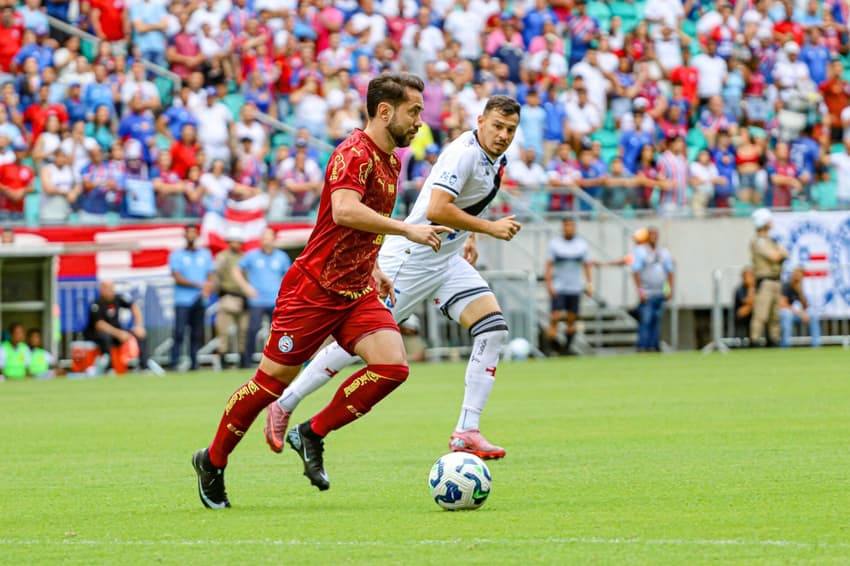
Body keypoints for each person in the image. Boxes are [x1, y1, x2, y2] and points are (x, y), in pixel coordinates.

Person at [192, 73, 451, 508]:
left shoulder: (390, 161)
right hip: (312, 291)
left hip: (354, 290)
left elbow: (353, 230)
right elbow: (344, 211)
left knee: (392, 367)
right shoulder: (354, 153)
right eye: (413, 112)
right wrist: (407, 229)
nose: (420, 122)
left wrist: (371, 267)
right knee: (269, 385)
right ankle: (212, 462)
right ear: (384, 111)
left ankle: (311, 432)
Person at [263, 95, 523, 464]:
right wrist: (489, 228)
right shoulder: (462, 153)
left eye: (510, 130)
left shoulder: (496, 160)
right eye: (497, 126)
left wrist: (473, 237)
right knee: (356, 344)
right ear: (480, 121)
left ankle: (466, 430)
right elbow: (436, 209)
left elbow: (465, 203)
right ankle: (284, 403)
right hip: (412, 259)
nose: (503, 135)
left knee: (493, 329)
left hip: (446, 260)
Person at [233, 227, 291, 369]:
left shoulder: (281, 257)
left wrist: (284, 293)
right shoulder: (252, 256)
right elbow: (236, 270)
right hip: (257, 300)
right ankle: (247, 362)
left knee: (278, 332)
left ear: (274, 239)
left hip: (275, 300)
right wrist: (246, 287)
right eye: (264, 237)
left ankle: (278, 361)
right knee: (252, 329)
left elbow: (288, 276)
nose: (266, 240)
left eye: (269, 237)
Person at [544, 217, 592, 356]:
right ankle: (550, 349)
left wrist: (589, 284)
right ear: (563, 227)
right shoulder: (555, 244)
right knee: (555, 317)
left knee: (571, 319)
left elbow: (586, 265)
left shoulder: (581, 245)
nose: (568, 228)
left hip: (574, 287)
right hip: (559, 286)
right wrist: (549, 284)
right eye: (566, 226)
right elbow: (549, 265)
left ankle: (566, 349)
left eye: (571, 226)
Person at [84, 279, 154, 374]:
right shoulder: (96, 304)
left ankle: (144, 367)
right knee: (105, 337)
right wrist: (119, 334)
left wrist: (139, 326)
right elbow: (100, 325)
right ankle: (109, 369)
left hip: (117, 333)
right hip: (99, 335)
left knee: (140, 334)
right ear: (101, 290)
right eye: (107, 289)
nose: (110, 291)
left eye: (111, 288)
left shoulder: (118, 299)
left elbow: (134, 307)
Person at [169, 224, 214, 371]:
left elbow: (209, 275)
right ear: (184, 235)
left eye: (194, 233)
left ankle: (194, 363)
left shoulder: (205, 254)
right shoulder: (177, 255)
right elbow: (177, 277)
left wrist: (207, 287)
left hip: (199, 299)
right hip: (182, 300)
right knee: (179, 332)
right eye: (188, 233)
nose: (191, 235)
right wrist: (199, 285)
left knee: (196, 333)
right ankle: (174, 362)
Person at [749, 208, 789, 346]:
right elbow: (776, 256)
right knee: (761, 314)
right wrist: (780, 254)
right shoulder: (759, 242)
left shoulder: (772, 241)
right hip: (765, 281)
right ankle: (754, 340)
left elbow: (784, 253)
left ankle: (774, 340)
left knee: (775, 316)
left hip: (776, 280)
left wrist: (781, 253)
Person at [632, 227, 674, 352]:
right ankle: (642, 346)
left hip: (660, 291)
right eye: (650, 235)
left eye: (655, 235)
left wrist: (668, 290)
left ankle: (653, 346)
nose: (653, 237)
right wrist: (640, 291)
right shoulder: (640, 252)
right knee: (646, 319)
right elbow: (636, 272)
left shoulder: (664, 252)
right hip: (647, 292)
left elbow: (670, 272)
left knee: (656, 320)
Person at [214, 227, 248, 368]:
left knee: (243, 331)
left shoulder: (245, 258)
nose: (236, 244)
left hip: (243, 297)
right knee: (223, 332)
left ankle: (242, 359)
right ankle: (222, 359)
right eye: (234, 241)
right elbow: (216, 276)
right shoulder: (222, 257)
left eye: (238, 241)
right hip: (227, 295)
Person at [780, 266, 820, 348]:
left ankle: (816, 344)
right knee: (787, 315)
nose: (798, 276)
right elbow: (783, 304)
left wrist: (800, 292)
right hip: (785, 313)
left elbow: (805, 307)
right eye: (796, 274)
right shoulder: (786, 285)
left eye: (800, 275)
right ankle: (786, 344)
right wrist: (800, 313)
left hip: (796, 313)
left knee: (813, 315)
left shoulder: (799, 287)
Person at [733, 267, 756, 342]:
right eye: (746, 276)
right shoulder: (739, 289)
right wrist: (751, 287)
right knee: (743, 310)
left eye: (750, 276)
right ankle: (743, 341)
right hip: (742, 316)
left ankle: (755, 340)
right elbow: (747, 302)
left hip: (753, 312)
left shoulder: (759, 287)